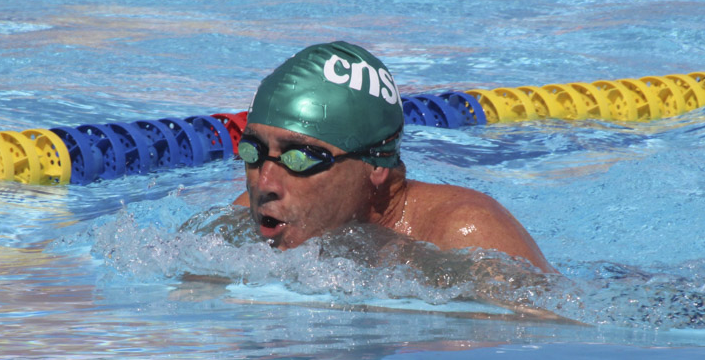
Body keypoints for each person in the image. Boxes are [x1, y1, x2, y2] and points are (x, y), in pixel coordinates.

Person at [232, 40, 556, 274]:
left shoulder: (465, 236)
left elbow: (545, 347)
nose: (265, 183)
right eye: (254, 151)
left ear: (375, 163)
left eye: (299, 158)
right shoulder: (246, 219)